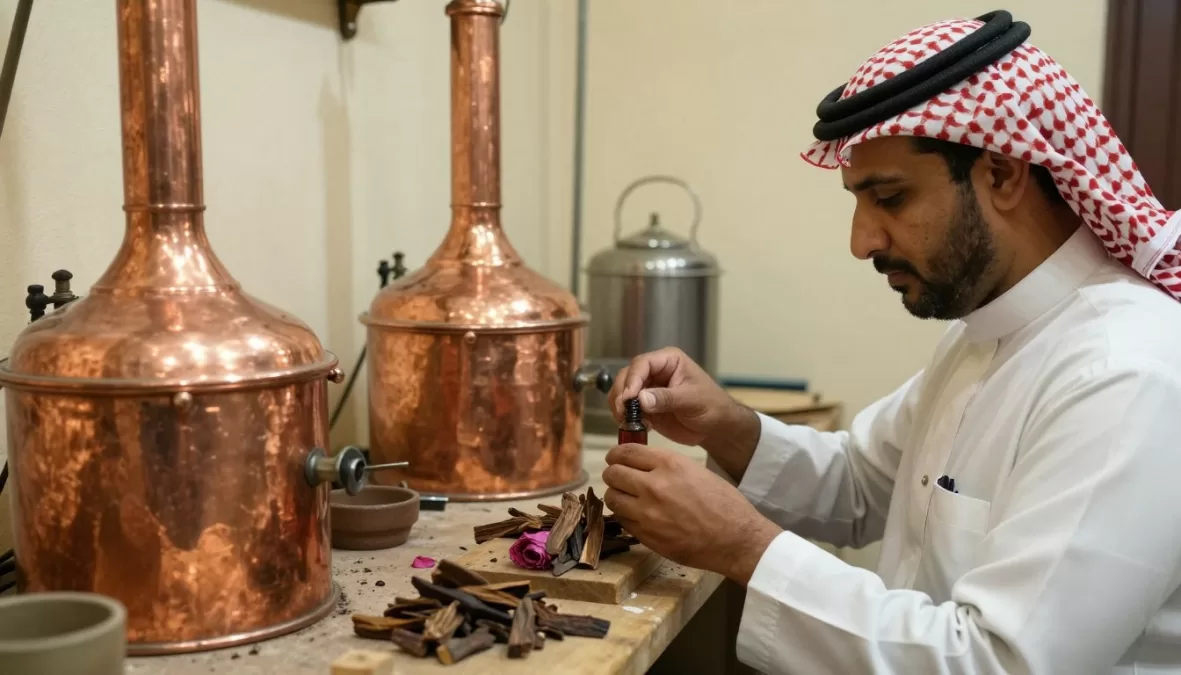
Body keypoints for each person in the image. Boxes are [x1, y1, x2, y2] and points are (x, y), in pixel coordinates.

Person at [600, 11, 1181, 675]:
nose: (861, 241)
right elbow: (864, 483)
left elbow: (999, 662)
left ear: (1001, 174)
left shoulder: (1125, 374)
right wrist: (725, 426)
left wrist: (742, 546)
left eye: (890, 198)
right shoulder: (987, 332)